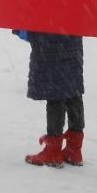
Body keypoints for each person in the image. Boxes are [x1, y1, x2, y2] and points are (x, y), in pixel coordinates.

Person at [23, 33, 85, 168]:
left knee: (55, 92)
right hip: (72, 41)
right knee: (72, 90)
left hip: (51, 41)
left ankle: (53, 152)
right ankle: (74, 150)